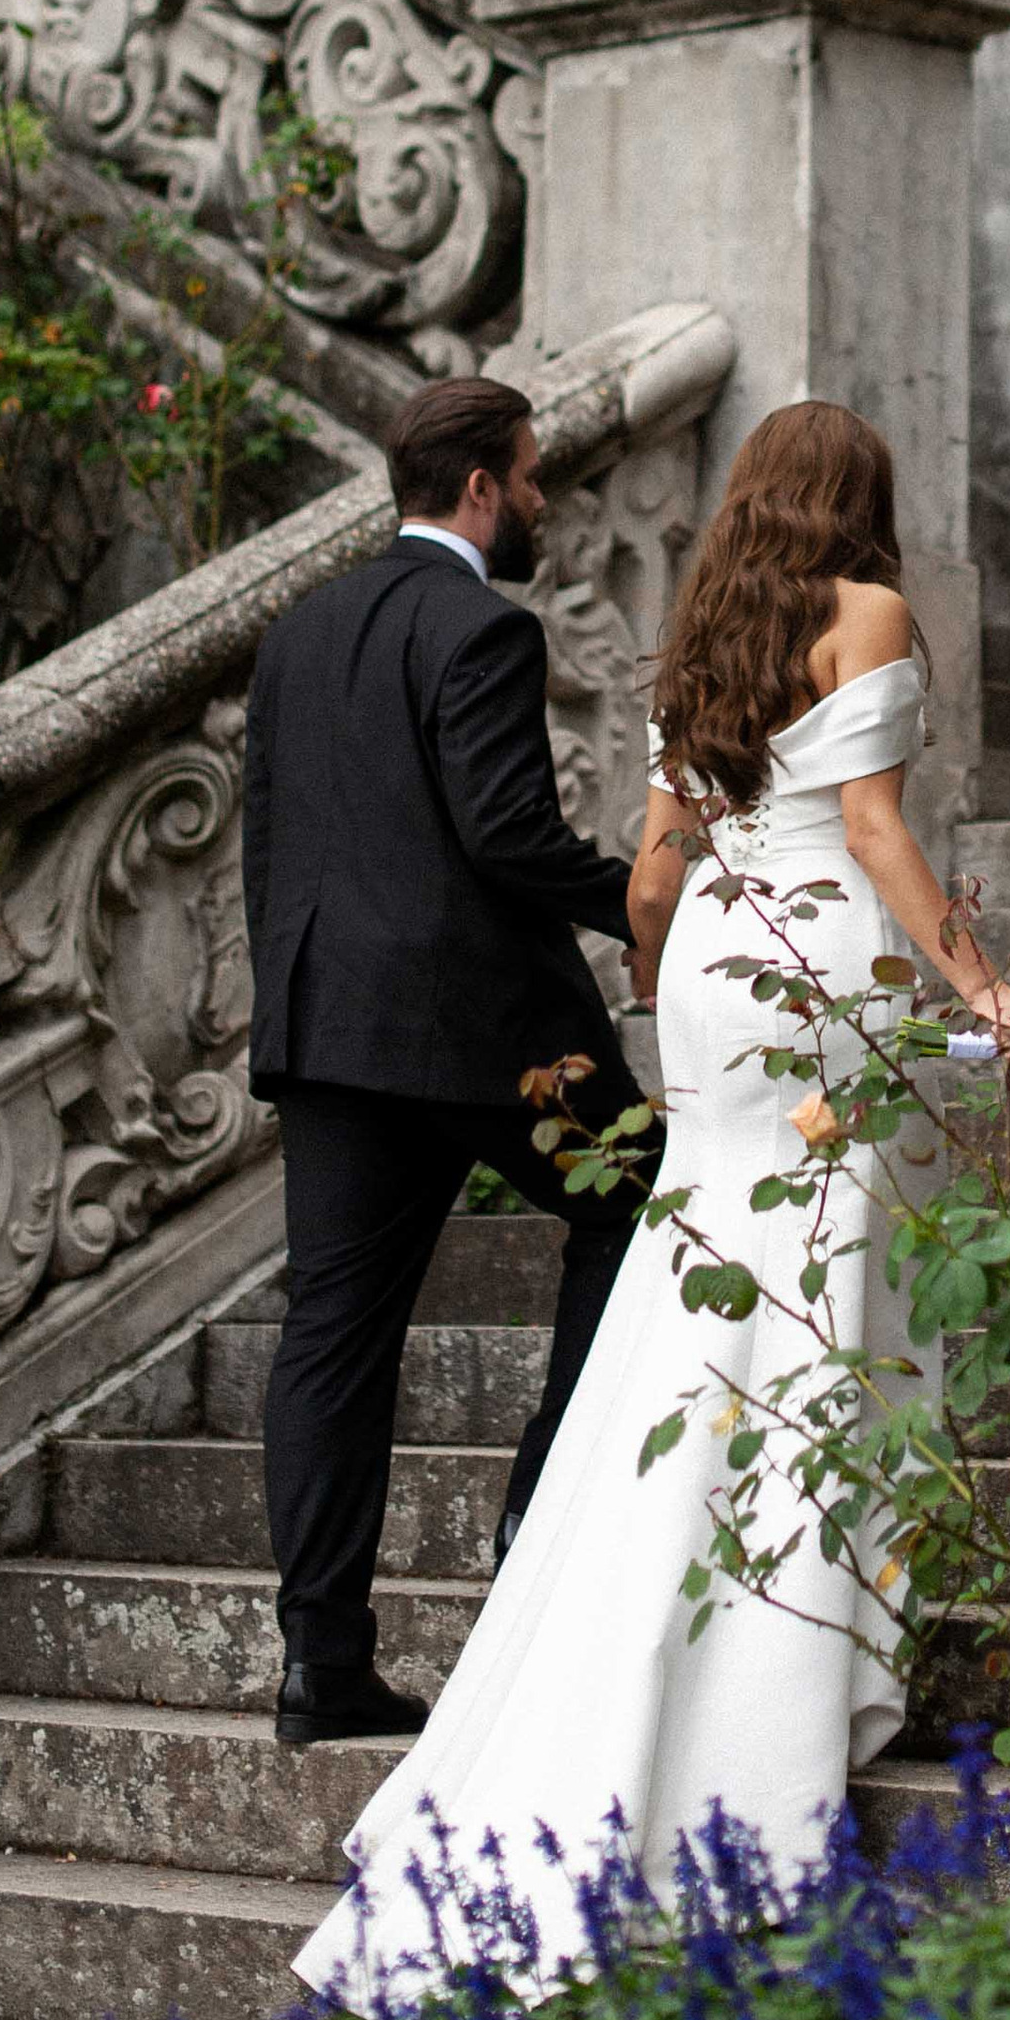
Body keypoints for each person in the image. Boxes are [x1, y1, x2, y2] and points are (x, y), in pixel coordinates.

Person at [293, 401, 1010, 2003]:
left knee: (690, 1290)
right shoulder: (871, 615)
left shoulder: (701, 633)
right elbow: (870, 831)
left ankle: (633, 1600)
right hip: (816, 955)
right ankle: (810, 1636)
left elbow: (651, 872)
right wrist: (981, 985)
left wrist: (663, 994)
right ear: (862, 500)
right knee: (828, 1297)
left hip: (711, 971)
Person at [242, 376, 652, 1752]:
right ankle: (541, 1496)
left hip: (325, 1032)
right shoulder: (482, 624)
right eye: (533, 478)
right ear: (479, 486)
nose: (540, 502)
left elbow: (270, 843)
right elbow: (507, 839)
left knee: (333, 1340)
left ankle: (321, 1666)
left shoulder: (298, 633)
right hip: (473, 1036)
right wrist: (650, 899)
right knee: (637, 1190)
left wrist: (292, 1012)